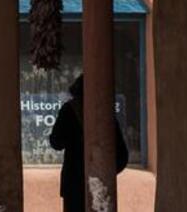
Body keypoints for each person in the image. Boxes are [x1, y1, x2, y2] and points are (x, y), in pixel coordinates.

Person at [47, 75, 130, 212]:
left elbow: (56, 143)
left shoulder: (68, 110)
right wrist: (105, 173)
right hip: (99, 184)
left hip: (74, 183)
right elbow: (122, 155)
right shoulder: (105, 112)